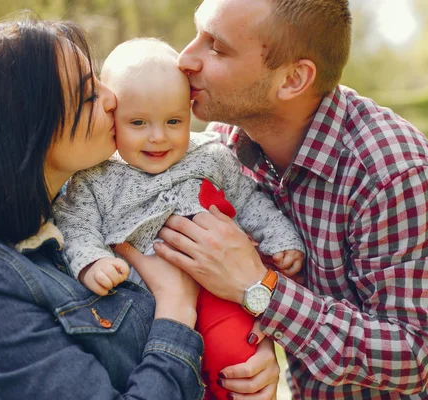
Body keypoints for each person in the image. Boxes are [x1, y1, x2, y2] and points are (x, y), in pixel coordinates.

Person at [0, 18, 279, 399]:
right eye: (88, 94)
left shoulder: (79, 204)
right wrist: (177, 311)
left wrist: (242, 351)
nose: (112, 98)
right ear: (27, 126)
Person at [147, 0, 428, 399]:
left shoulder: (394, 173)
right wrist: (257, 339)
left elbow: (415, 354)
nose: (185, 59)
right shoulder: (222, 149)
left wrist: (260, 291)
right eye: (198, 33)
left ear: (292, 79)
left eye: (216, 46)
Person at [53, 37, 304, 400]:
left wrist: (279, 236)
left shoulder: (211, 156)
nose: (158, 137)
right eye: (138, 122)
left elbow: (249, 200)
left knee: (237, 363)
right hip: (139, 302)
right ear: (113, 119)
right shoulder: (95, 177)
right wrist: (92, 260)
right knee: (159, 373)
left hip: (219, 289)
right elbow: (76, 225)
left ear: (191, 112)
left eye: (174, 121)